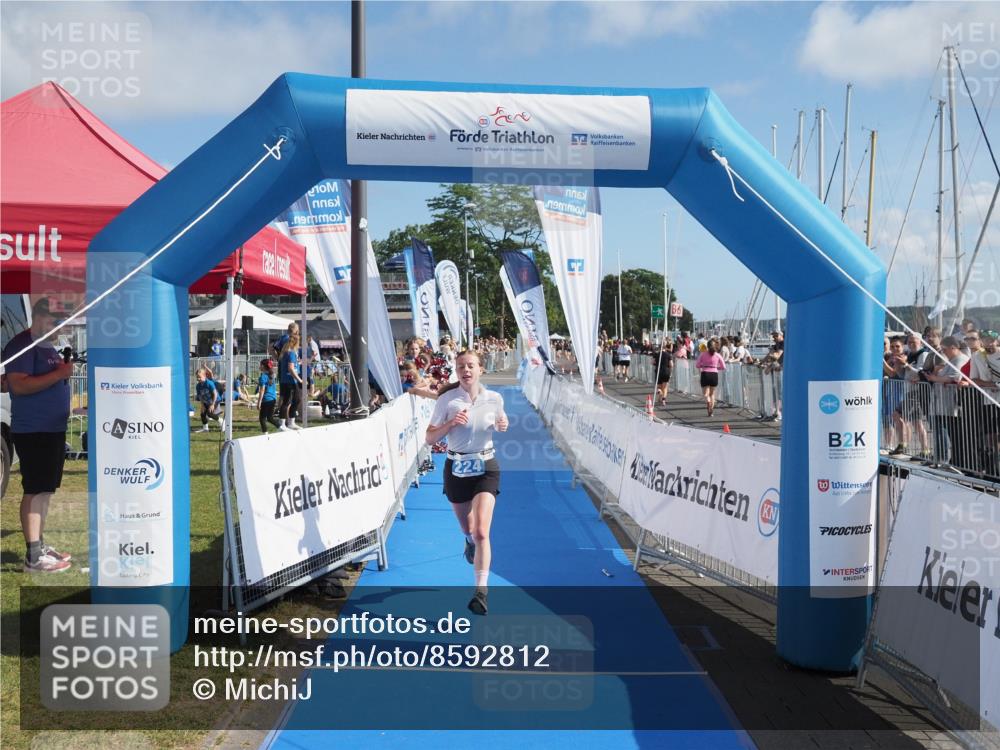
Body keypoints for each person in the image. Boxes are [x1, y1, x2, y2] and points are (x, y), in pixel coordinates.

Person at [424, 350, 508, 616]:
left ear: (480, 369)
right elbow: (429, 438)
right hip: (456, 468)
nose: (466, 370)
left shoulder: (494, 398)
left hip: (486, 466)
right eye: (461, 367)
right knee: (468, 528)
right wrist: (450, 423)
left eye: (471, 366)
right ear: (456, 371)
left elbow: (500, 421)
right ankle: (467, 541)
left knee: (482, 531)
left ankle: (481, 592)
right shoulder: (448, 399)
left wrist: (502, 423)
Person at [2, 299, 75, 573]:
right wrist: (60, 373)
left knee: (45, 490)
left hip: (51, 428)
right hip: (34, 429)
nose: (61, 326)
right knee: (35, 490)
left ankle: (39, 547)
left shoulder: (44, 346)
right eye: (58, 320)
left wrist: (60, 373)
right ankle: (33, 556)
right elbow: (18, 385)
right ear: (41, 317)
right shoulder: (24, 344)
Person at [278, 332, 304, 431]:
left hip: (287, 381)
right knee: (287, 401)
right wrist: (300, 380)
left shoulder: (288, 352)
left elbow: (292, 365)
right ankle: (282, 424)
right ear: (295, 343)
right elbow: (290, 369)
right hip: (290, 381)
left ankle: (291, 423)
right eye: (299, 342)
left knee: (296, 400)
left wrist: (299, 362)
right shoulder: (291, 353)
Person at [695, 339, 727, 417]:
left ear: (707, 346)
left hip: (705, 373)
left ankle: (708, 401)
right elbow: (723, 367)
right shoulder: (718, 355)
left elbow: (697, 365)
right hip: (714, 374)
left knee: (706, 394)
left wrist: (703, 366)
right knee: (712, 394)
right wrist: (716, 368)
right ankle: (711, 411)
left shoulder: (702, 354)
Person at [195, 368, 222, 432]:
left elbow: (215, 394)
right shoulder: (198, 386)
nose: (198, 379)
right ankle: (205, 429)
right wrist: (202, 405)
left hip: (215, 400)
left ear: (205, 376)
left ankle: (221, 421)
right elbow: (200, 396)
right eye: (197, 377)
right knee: (202, 413)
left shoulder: (209, 383)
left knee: (209, 413)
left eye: (199, 377)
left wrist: (212, 404)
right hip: (206, 401)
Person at [256, 359, 280, 433]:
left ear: (263, 366)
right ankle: (281, 428)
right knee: (270, 418)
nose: (259, 366)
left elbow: (262, 390)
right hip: (273, 399)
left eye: (260, 365)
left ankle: (265, 433)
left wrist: (259, 402)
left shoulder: (263, 376)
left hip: (266, 399)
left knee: (262, 418)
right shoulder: (271, 375)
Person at [655, 340, 674, 407]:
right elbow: (671, 364)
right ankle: (663, 400)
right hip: (666, 371)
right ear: (665, 346)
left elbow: (652, 362)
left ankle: (660, 393)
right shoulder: (668, 355)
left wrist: (656, 363)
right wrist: (670, 371)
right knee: (665, 387)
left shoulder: (657, 354)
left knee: (659, 387)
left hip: (658, 371)